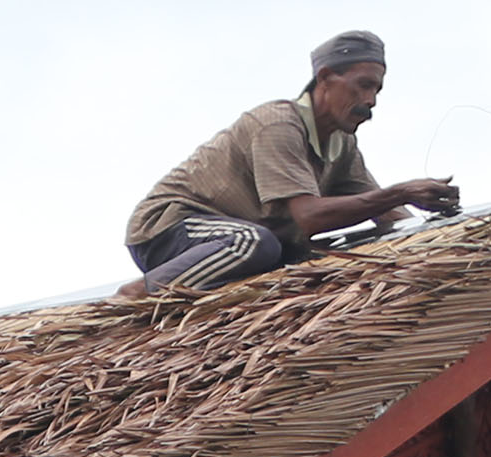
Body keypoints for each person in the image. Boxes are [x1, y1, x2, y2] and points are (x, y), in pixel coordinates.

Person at [119, 32, 461, 300]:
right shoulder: (279, 123)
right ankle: (140, 294)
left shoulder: (341, 145)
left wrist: (435, 239)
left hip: (233, 235)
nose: (371, 101)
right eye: (363, 85)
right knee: (255, 244)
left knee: (307, 255)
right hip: (170, 228)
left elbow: (389, 215)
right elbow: (309, 216)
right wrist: (401, 191)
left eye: (377, 90)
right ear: (325, 78)